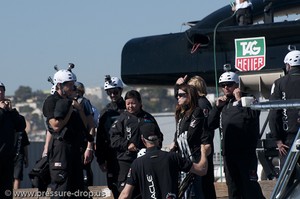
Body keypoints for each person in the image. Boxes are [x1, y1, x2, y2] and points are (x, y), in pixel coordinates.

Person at [208, 71, 265, 199]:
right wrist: (216, 108)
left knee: (250, 187)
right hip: (228, 154)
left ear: (236, 85)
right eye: (223, 85)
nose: (225, 88)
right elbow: (210, 125)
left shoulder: (248, 98)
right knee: (233, 188)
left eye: (229, 84)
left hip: (245, 153)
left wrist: (240, 101)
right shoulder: (224, 104)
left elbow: (252, 117)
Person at [118, 122, 209, 199]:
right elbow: (202, 170)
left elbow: (125, 195)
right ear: (159, 138)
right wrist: (203, 152)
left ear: (142, 139)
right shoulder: (173, 157)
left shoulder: (137, 163)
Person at [42, 66, 93, 198]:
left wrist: (79, 109)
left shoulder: (72, 101)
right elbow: (56, 126)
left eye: (73, 84)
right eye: (69, 85)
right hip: (60, 150)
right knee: (61, 189)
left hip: (75, 149)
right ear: (59, 85)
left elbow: (86, 124)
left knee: (78, 190)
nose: (73, 88)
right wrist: (70, 109)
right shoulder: (51, 101)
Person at [110, 90, 163, 197]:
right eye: (128, 103)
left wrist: (154, 147)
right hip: (127, 162)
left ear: (139, 103)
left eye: (133, 103)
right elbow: (113, 139)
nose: (130, 106)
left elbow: (159, 137)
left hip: (146, 161)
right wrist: (127, 144)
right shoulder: (122, 119)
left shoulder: (149, 118)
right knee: (126, 192)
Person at [175, 75, 216, 199]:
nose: (179, 96)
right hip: (190, 153)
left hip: (199, 153)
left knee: (202, 188)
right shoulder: (186, 111)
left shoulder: (201, 105)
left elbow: (205, 129)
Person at [170, 83, 210, 199]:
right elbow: (178, 133)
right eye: (177, 95)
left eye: (181, 95)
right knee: (184, 191)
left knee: (194, 191)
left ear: (189, 96)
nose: (178, 97)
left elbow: (190, 135)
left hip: (194, 157)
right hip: (183, 156)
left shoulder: (197, 112)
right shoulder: (182, 114)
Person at [269, 50, 300, 188]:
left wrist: (278, 140)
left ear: (288, 66)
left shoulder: (279, 83)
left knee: (286, 180)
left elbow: (274, 113)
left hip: (288, 140)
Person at [95, 75, 126, 199]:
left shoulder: (129, 108)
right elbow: (100, 138)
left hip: (127, 155)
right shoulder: (105, 112)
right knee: (113, 186)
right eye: (109, 92)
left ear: (120, 91)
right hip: (111, 156)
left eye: (115, 92)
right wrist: (101, 160)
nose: (112, 95)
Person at [0, 82, 26, 199]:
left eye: (2, 90)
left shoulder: (8, 112)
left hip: (7, 157)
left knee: (6, 190)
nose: (0, 93)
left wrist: (11, 111)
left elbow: (21, 125)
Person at [74, 81, 97, 187]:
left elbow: (91, 126)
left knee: (85, 168)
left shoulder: (85, 102)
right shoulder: (69, 102)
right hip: (73, 143)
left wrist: (89, 147)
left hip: (83, 142)